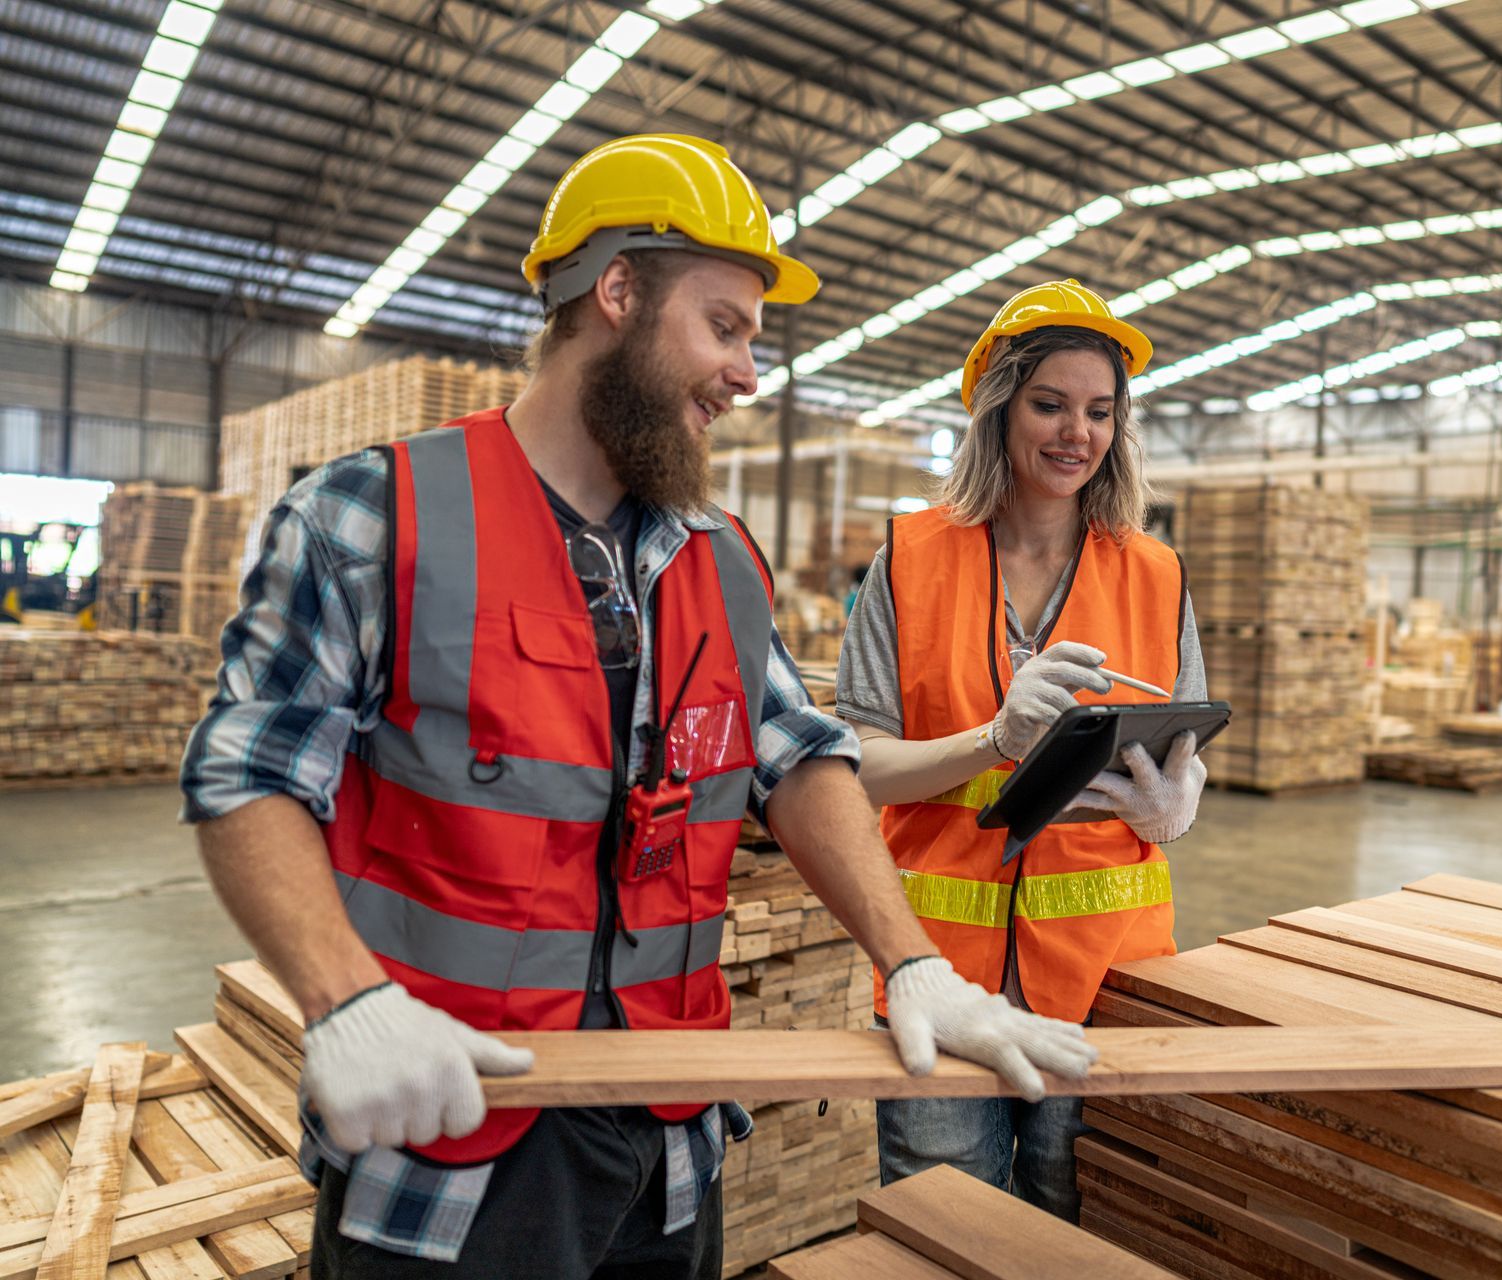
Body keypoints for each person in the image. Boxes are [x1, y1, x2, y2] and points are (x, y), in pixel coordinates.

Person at [179, 135, 1097, 1279]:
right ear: (617, 292)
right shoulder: (377, 515)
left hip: (666, 1146)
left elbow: (802, 760)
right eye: (725, 327)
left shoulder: (720, 559)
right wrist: (344, 998)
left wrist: (913, 963)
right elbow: (251, 772)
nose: (747, 373)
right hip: (447, 1129)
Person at [834, 280, 1209, 1220]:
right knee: (947, 1224)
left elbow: (1185, 742)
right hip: (943, 971)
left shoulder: (1155, 574)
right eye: (1049, 404)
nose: (1074, 432)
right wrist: (993, 740)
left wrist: (1175, 806)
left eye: (1099, 411)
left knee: (1074, 1226)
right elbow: (859, 762)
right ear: (998, 409)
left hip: (1107, 972)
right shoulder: (911, 560)